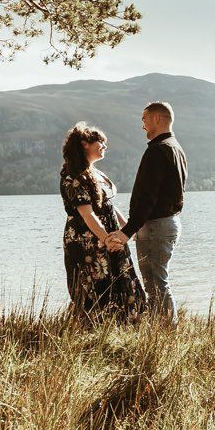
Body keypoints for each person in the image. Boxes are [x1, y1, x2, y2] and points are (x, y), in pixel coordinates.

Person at [110, 101, 187, 319]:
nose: (142, 125)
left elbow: (147, 197)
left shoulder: (158, 150)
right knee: (157, 281)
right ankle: (162, 329)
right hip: (167, 223)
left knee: (155, 282)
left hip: (155, 226)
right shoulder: (176, 148)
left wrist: (127, 230)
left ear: (156, 119)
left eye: (144, 119)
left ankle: (164, 332)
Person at [58, 121, 142, 319]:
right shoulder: (73, 175)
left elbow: (109, 206)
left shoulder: (98, 173)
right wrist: (106, 239)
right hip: (86, 237)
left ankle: (125, 323)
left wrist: (128, 229)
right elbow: (87, 213)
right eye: (100, 142)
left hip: (109, 233)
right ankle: (95, 328)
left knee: (121, 277)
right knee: (95, 283)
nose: (104, 146)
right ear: (85, 143)